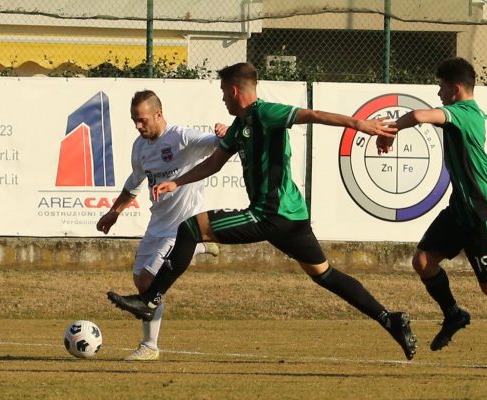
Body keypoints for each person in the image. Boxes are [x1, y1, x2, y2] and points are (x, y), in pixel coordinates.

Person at [107, 62, 418, 361]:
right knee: (326, 275)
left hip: (270, 214)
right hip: (294, 218)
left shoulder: (265, 112)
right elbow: (214, 162)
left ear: (234, 91)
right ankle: (389, 319)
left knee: (190, 228)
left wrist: (358, 124)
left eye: (223, 92)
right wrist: (177, 183)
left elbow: (310, 114)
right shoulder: (241, 125)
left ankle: (150, 300)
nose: (222, 99)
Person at [377, 57, 487, 366]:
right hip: (460, 209)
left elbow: (421, 115)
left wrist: (391, 129)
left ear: (456, 88)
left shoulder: (460, 114)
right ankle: (454, 314)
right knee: (423, 261)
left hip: (483, 215)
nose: (438, 93)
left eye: (441, 87)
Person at [98, 89, 223, 361]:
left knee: (148, 280)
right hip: (157, 225)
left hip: (181, 225)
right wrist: (114, 212)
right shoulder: (139, 147)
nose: (137, 125)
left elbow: (217, 143)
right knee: (141, 283)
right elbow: (134, 184)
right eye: (134, 120)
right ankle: (198, 248)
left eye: (142, 120)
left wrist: (223, 132)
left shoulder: (181, 137)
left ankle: (149, 347)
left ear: (158, 114)